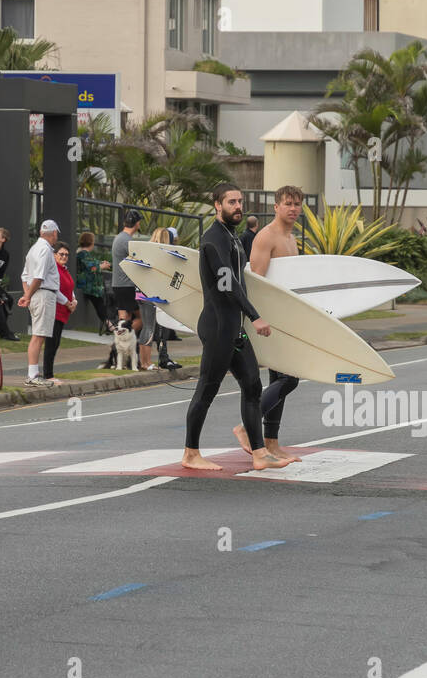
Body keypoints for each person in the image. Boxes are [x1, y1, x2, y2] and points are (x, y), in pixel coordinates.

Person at [181, 183, 292, 472]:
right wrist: (255, 316)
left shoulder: (231, 237)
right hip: (219, 326)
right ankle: (191, 453)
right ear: (217, 205)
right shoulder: (213, 239)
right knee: (207, 389)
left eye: (240, 201)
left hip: (234, 328)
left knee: (253, 385)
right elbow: (227, 283)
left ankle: (258, 453)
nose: (238, 206)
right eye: (231, 202)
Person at [243, 185, 305, 462]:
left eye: (297, 204)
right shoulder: (266, 237)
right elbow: (256, 283)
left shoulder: (291, 238)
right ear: (276, 207)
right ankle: (247, 427)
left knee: (279, 380)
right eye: (288, 203)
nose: (293, 208)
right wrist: (260, 319)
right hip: (271, 319)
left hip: (288, 318)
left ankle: (270, 442)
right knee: (290, 378)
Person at [17, 220, 62, 387]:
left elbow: (24, 277)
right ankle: (33, 374)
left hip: (37, 294)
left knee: (38, 335)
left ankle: (33, 373)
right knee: (38, 336)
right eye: (56, 233)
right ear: (54, 233)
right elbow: (39, 277)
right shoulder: (44, 250)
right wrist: (28, 296)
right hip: (42, 295)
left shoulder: (33, 249)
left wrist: (28, 294)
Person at [110, 209, 145, 365]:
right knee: (142, 318)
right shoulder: (127, 241)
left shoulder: (119, 238)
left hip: (118, 283)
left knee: (124, 318)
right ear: (137, 223)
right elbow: (139, 261)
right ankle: (121, 343)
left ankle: (120, 353)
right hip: (127, 285)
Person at [42, 240, 78, 381]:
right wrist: (67, 303)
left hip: (64, 312)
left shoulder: (64, 269)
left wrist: (74, 300)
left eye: (66, 255)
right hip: (55, 310)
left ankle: (49, 373)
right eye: (61, 254)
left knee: (56, 343)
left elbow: (70, 287)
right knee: (51, 344)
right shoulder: (53, 269)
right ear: (54, 254)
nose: (64, 257)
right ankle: (48, 375)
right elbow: (54, 289)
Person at [149, 227, 181, 370]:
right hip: (159, 295)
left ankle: (162, 357)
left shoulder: (149, 251)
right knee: (161, 328)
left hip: (148, 294)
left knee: (154, 329)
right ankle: (163, 358)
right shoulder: (165, 254)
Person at [76, 230, 113, 334]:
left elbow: (92, 263)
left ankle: (108, 324)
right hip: (89, 286)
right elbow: (91, 267)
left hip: (91, 286)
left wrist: (101, 263)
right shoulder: (83, 254)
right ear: (91, 242)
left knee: (100, 303)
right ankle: (109, 324)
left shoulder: (84, 254)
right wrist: (102, 266)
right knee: (100, 303)